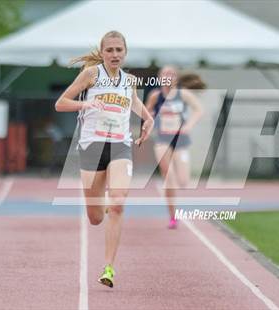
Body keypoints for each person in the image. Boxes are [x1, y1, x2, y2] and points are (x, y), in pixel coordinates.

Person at [55, 30, 154, 288]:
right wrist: (84, 105)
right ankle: (105, 206)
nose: (114, 54)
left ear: (125, 53)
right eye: (109, 50)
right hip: (91, 147)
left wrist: (148, 118)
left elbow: (133, 103)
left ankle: (108, 268)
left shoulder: (129, 81)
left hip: (120, 145)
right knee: (96, 217)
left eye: (119, 50)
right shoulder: (91, 74)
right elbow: (61, 103)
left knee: (119, 203)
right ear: (102, 52)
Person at [145, 66, 203, 229]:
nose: (168, 77)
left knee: (183, 181)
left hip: (181, 141)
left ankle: (174, 181)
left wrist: (189, 125)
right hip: (163, 140)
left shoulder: (183, 95)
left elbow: (199, 110)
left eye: (171, 74)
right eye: (164, 74)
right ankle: (172, 216)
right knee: (168, 176)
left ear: (176, 78)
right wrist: (149, 119)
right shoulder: (155, 96)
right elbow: (146, 112)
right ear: (159, 77)